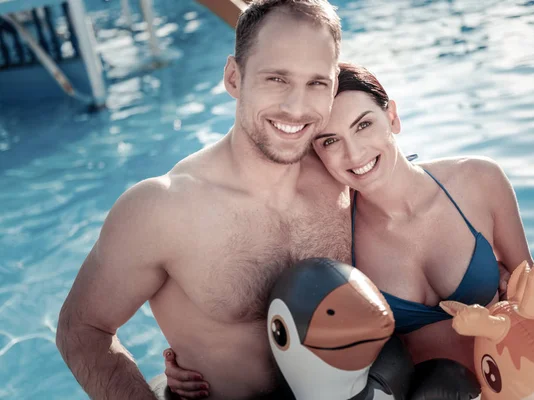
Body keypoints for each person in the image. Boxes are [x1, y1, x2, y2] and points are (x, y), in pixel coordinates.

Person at [163, 62, 534, 398]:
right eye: (330, 141)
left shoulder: (479, 182)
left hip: (518, 386)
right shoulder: (335, 236)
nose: (354, 154)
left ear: (393, 118)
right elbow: (276, 320)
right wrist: (197, 363)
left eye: (363, 124)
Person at [55, 1, 350, 399]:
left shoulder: (345, 172)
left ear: (333, 88)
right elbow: (82, 331)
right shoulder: (163, 208)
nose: (296, 108)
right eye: (276, 79)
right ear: (233, 77)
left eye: (316, 83)